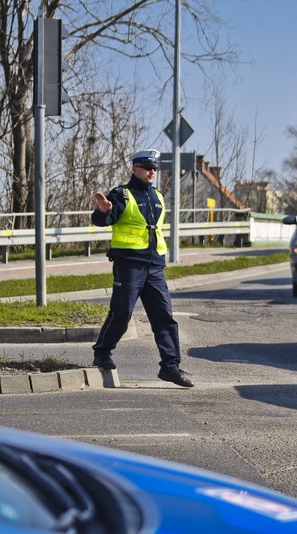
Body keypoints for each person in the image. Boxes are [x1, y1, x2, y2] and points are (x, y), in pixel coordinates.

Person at [90, 148, 194, 388]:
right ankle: (103, 352)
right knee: (122, 313)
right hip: (129, 265)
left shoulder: (157, 196)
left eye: (155, 168)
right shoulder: (122, 195)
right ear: (135, 169)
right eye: (148, 168)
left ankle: (170, 367)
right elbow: (106, 218)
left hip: (154, 266)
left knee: (164, 317)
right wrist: (102, 212)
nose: (152, 172)